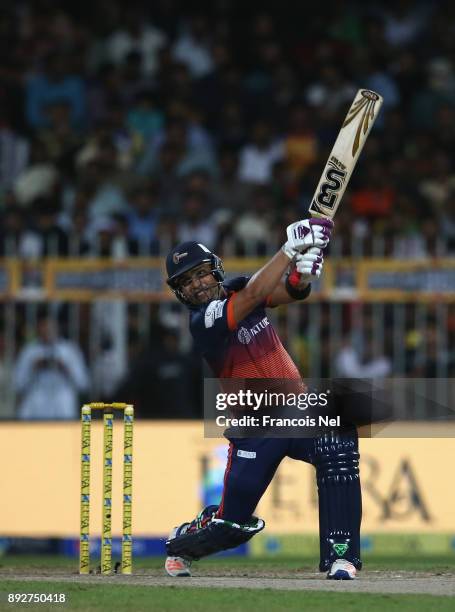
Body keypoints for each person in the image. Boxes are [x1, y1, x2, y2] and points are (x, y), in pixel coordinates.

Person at [163, 217, 361, 581]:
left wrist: (303, 274)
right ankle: (184, 542)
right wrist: (290, 249)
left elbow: (290, 292)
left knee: (338, 441)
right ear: (181, 293)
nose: (197, 284)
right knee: (233, 527)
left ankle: (341, 557)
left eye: (201, 273)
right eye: (186, 282)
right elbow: (256, 294)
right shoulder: (202, 322)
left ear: (216, 269)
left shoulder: (241, 290)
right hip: (254, 428)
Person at [14, 311, 89, 420]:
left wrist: (65, 368)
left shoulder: (70, 350)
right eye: (43, 327)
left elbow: (83, 384)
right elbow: (18, 384)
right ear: (38, 328)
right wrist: (34, 368)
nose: (47, 330)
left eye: (50, 327)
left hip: (62, 406)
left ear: (57, 328)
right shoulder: (29, 351)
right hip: (36, 406)